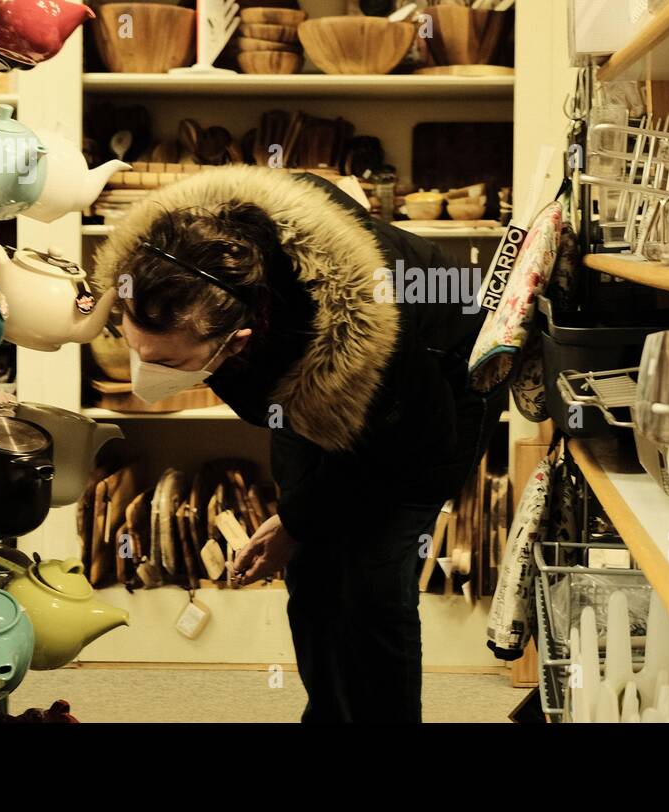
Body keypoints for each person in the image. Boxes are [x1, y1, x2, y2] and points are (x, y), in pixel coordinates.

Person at [95, 166, 504, 722]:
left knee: (370, 580)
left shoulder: (369, 333)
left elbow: (407, 452)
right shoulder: (194, 277)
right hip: (307, 387)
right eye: (138, 349)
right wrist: (299, 521)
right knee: (313, 574)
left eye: (165, 362)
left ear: (236, 342)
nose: (144, 375)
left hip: (435, 396)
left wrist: (297, 518)